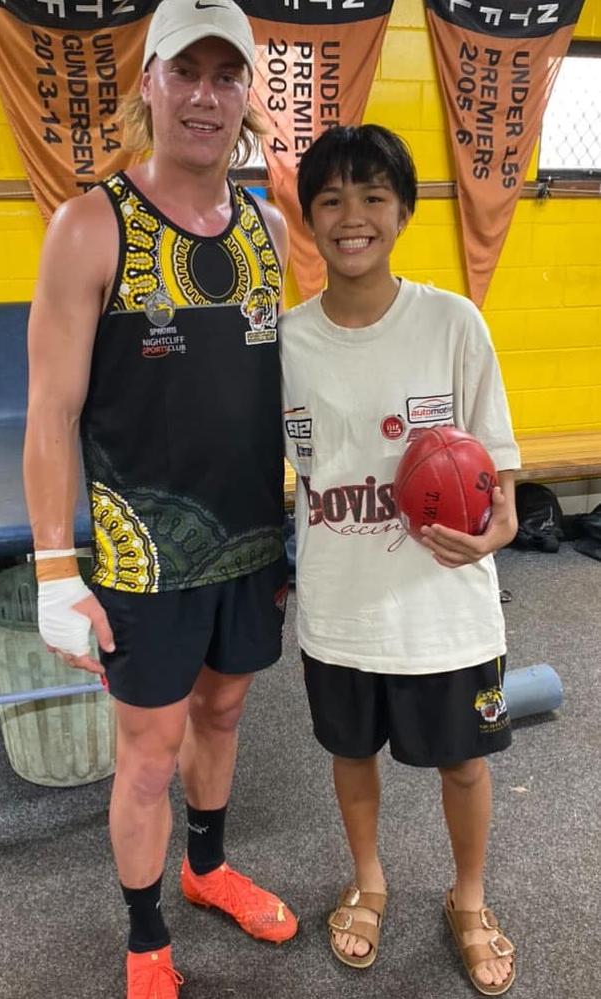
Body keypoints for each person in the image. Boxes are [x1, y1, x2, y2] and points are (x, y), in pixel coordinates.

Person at [23, 2, 297, 996]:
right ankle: (144, 936)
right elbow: (49, 415)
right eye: (186, 71)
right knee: (148, 754)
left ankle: (208, 865)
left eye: (228, 75)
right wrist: (57, 569)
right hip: (142, 557)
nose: (205, 94)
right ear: (149, 82)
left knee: (224, 713)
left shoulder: (266, 226)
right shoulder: (90, 224)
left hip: (250, 547)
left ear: (246, 97)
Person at [280, 124, 519, 996]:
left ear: (404, 211)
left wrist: (496, 531)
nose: (353, 217)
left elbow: (501, 487)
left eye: (373, 196)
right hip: (339, 604)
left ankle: (469, 897)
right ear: (310, 217)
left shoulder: (452, 323)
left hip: (445, 606)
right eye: (333, 199)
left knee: (464, 760)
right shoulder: (289, 342)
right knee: (352, 755)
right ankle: (369, 880)